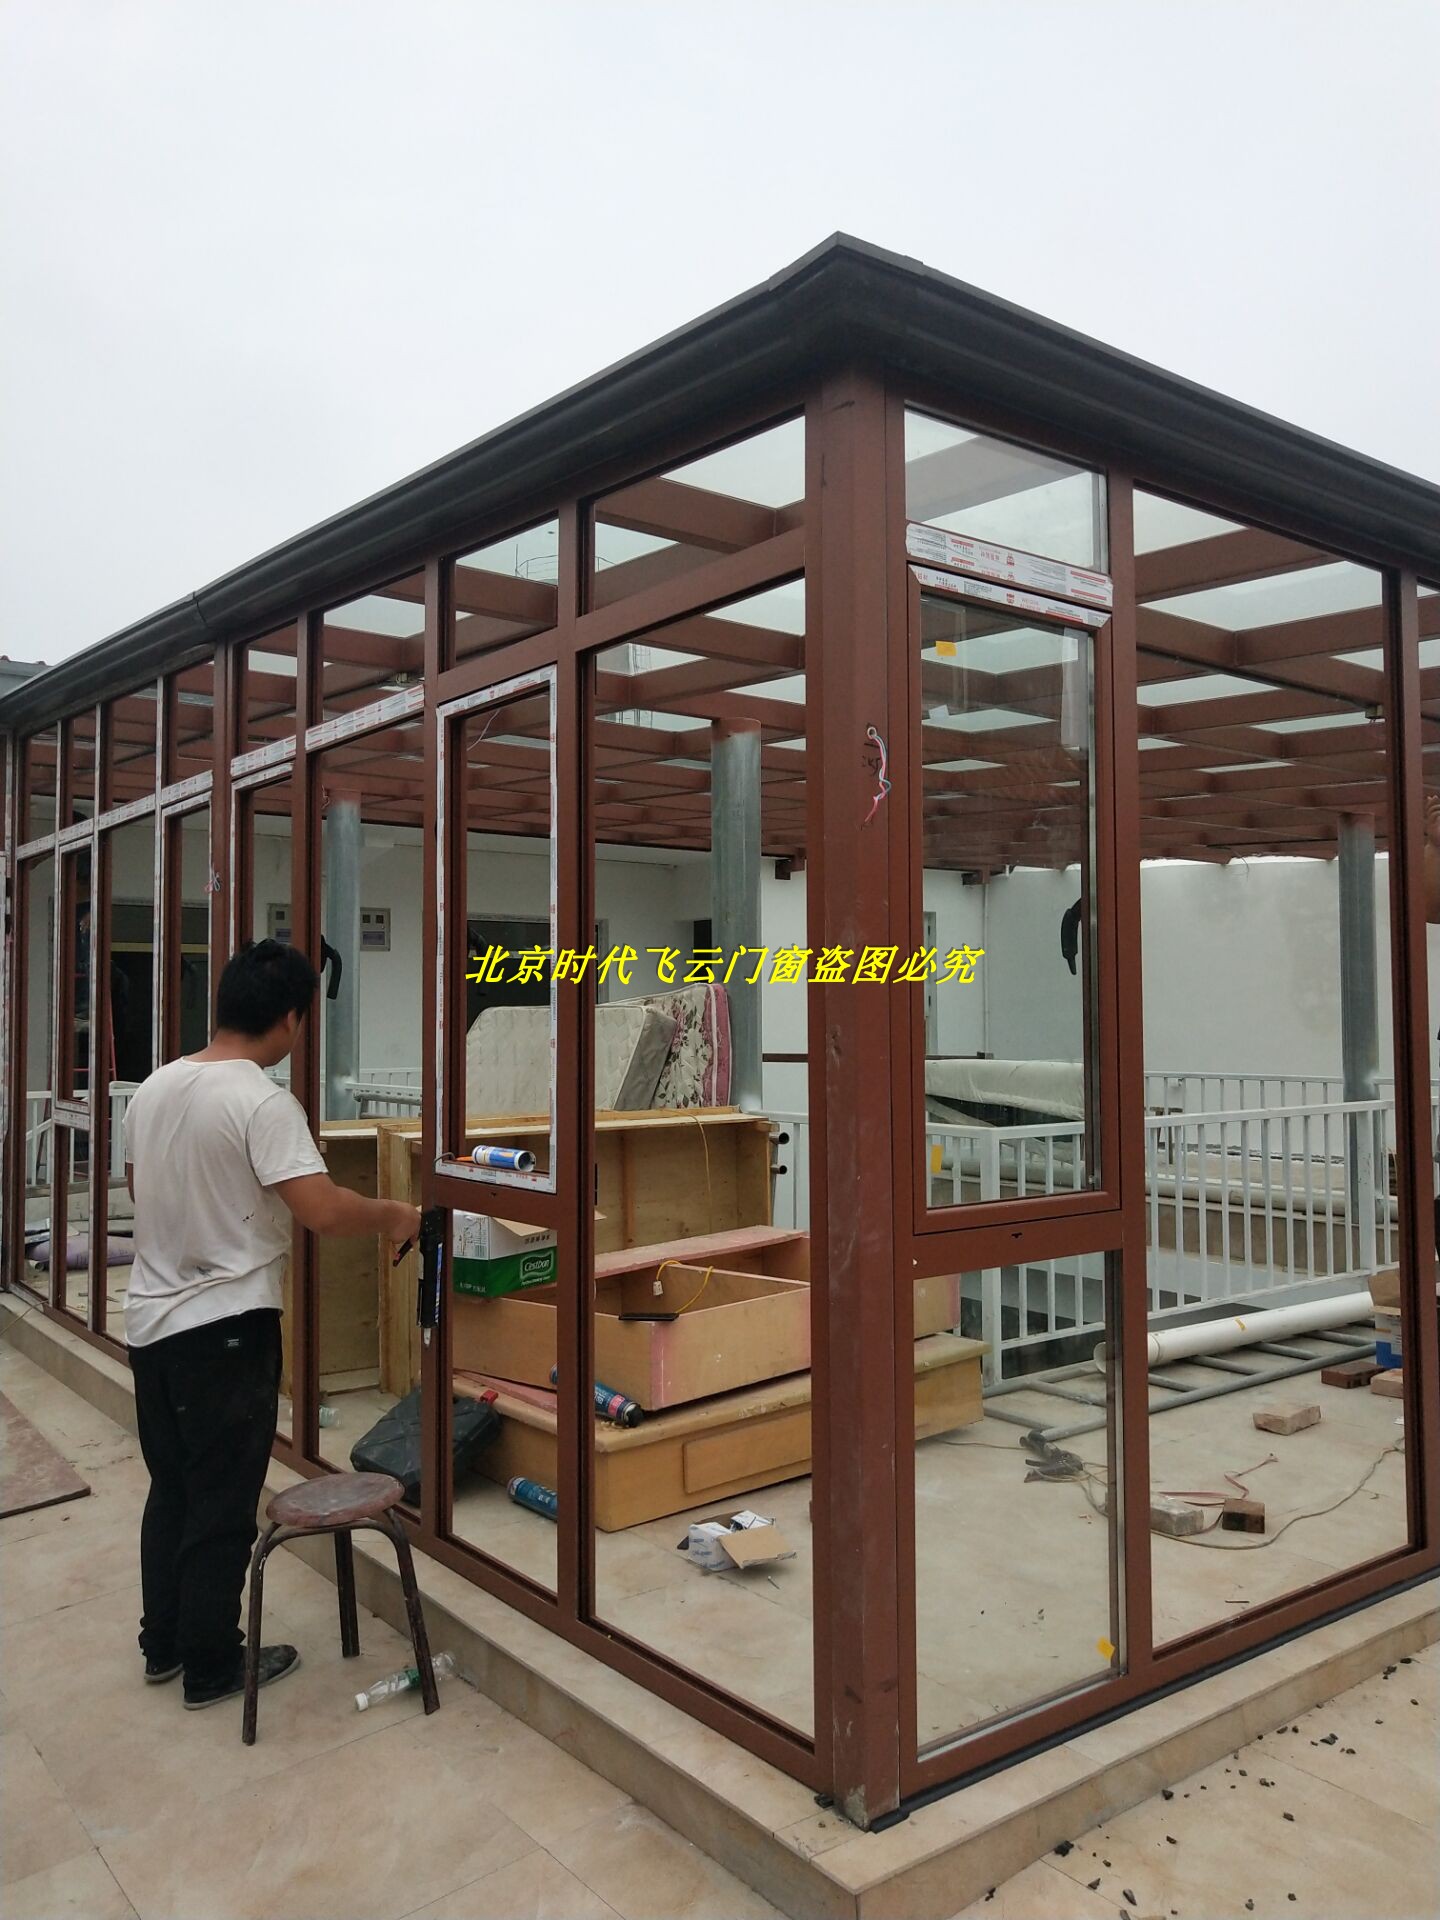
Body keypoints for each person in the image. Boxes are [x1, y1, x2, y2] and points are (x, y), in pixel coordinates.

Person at [123, 939, 420, 1710]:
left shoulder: (154, 1088)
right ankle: (212, 1665)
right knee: (223, 1501)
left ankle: (164, 1644)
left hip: (150, 1327)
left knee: (174, 1488)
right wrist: (396, 1214)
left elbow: (140, 1186)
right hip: (226, 1329)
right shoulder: (261, 1102)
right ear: (290, 1018)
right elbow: (321, 1210)